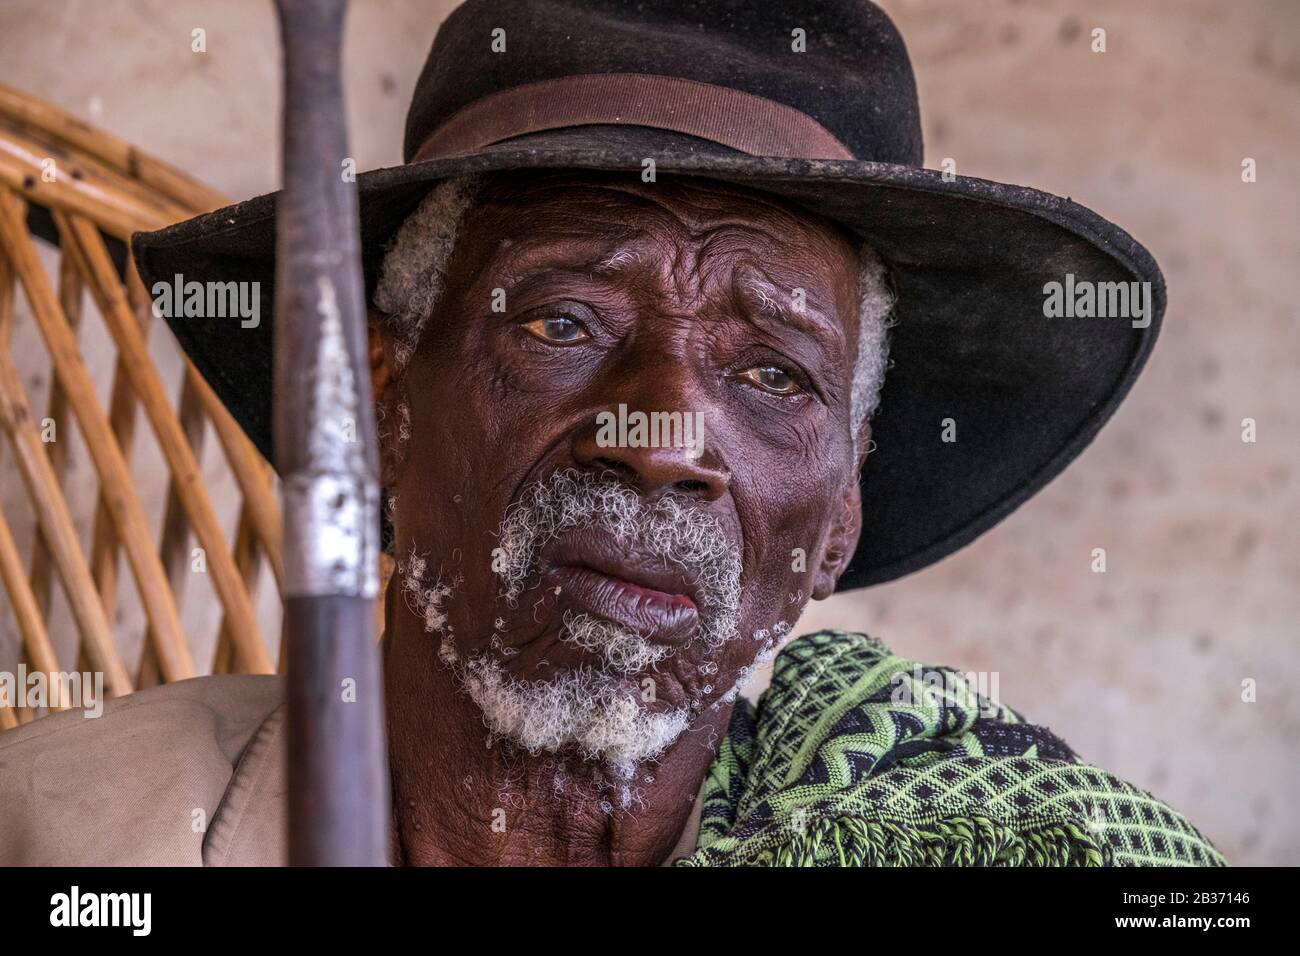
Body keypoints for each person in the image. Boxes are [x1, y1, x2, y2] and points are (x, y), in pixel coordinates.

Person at [0, 0, 1224, 866]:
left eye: (771, 372)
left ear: (839, 507)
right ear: (379, 401)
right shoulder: (65, 831)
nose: (662, 434)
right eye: (562, 322)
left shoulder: (969, 838)